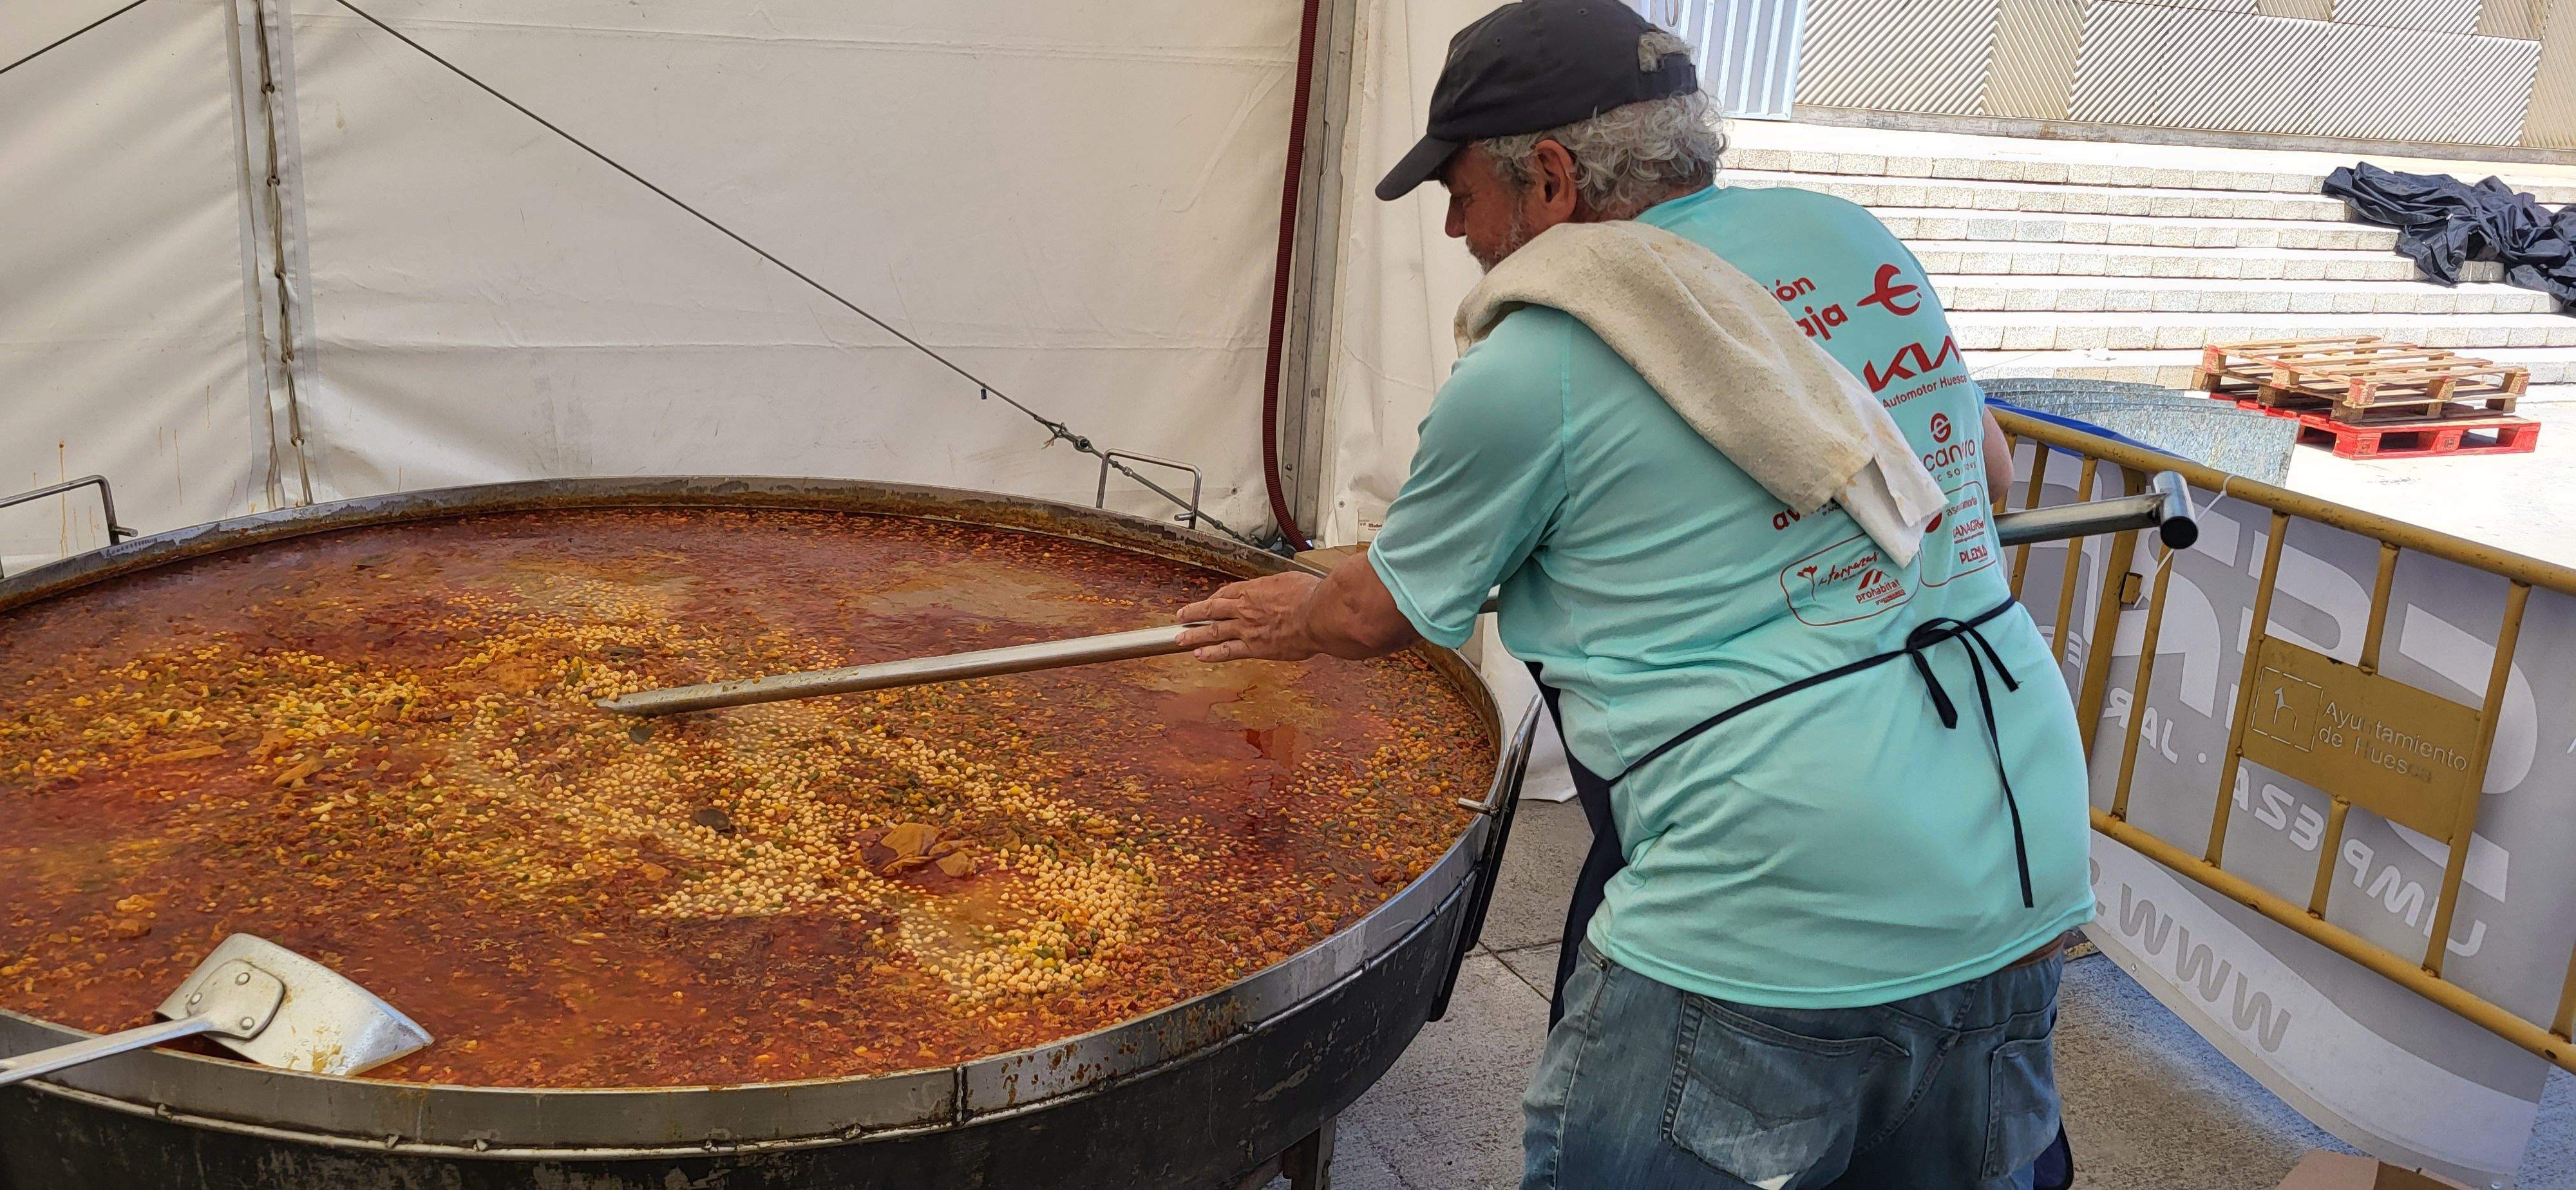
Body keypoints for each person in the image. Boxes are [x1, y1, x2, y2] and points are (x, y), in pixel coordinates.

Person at [1175, 3, 2092, 1187]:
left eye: (1461, 193)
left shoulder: (1534, 357)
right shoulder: (1851, 237)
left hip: (1775, 892)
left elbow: (1374, 613)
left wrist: (1273, 618)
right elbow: (1988, 479)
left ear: (1550, 178)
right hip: (2015, 841)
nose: (1455, 229)